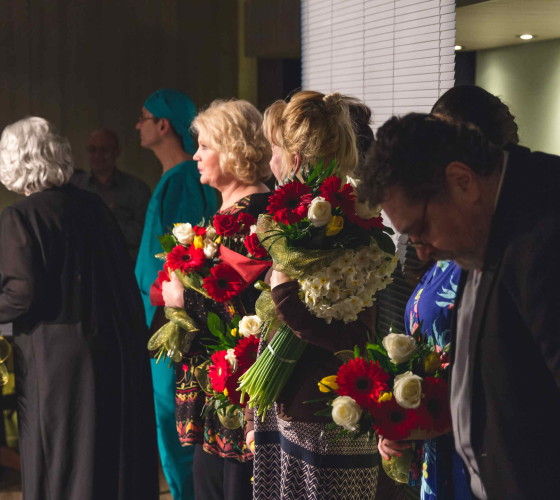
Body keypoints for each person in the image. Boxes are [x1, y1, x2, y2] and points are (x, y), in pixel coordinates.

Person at [356, 111, 560, 498]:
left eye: (420, 230)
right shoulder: (481, 226)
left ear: (462, 181)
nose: (421, 251)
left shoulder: (543, 230)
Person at [0, 117, 158, 500]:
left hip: (55, 361)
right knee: (102, 458)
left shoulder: (21, 216)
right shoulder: (93, 205)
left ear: (15, 160)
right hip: (108, 348)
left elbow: (21, 292)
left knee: (60, 461)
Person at [377, 86, 521, 500]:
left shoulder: (514, 247)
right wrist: (402, 415)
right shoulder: (448, 242)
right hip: (445, 452)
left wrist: (442, 418)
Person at [248, 91, 381, 499]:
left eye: (274, 150)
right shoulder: (301, 224)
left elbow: (353, 336)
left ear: (294, 159)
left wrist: (285, 293)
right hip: (289, 408)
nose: (269, 161)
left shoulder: (352, 229)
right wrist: (255, 411)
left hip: (324, 418)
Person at [160, 98, 271, 499]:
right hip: (223, 400)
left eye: (205, 146)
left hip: (238, 403)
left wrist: (181, 301)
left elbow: (246, 314)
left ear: (233, 150)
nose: (195, 156)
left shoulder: (250, 220)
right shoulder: (235, 215)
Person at [135, 89, 218, 500]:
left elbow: (185, 259)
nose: (138, 125)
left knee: (176, 423)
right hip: (160, 318)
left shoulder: (183, 179)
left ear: (163, 125)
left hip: (172, 323)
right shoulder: (173, 178)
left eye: (144, 117)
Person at [71, 128, 151, 259]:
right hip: (84, 262)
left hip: (123, 262)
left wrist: (106, 222)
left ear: (117, 152)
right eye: (92, 150)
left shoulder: (137, 189)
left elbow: (145, 232)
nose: (98, 155)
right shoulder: (75, 186)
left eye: (104, 150)